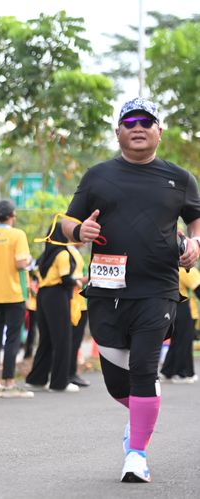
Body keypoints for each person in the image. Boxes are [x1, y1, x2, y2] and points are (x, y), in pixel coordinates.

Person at [60, 97, 200, 483]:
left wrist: (195, 242)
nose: (138, 127)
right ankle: (141, 412)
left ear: (159, 131)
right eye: (130, 122)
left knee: (143, 369)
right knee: (117, 383)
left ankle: (136, 454)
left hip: (158, 289)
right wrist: (79, 230)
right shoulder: (98, 176)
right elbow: (66, 223)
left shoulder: (180, 178)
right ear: (118, 131)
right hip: (106, 291)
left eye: (146, 121)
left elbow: (196, 219)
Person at [0, 199, 33, 398]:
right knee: (12, 338)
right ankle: (9, 381)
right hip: (14, 294)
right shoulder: (18, 235)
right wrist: (29, 260)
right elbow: (21, 263)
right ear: (13, 215)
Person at [24, 224, 80, 394]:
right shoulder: (63, 253)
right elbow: (65, 279)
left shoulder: (45, 254)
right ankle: (59, 383)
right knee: (62, 339)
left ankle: (36, 379)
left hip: (43, 296)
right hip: (57, 296)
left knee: (46, 339)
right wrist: (78, 282)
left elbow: (34, 272)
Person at [159, 263, 200, 383]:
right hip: (186, 309)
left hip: (171, 307)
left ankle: (167, 371)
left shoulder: (169, 268)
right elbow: (198, 289)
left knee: (176, 341)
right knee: (184, 342)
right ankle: (182, 373)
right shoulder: (186, 270)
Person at [67, 243, 91, 387]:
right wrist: (89, 278)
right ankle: (69, 374)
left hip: (79, 303)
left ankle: (71, 373)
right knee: (73, 341)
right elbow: (74, 280)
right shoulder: (70, 252)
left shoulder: (73, 251)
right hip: (75, 304)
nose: (86, 241)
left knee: (75, 341)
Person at [23, 270, 39, 359]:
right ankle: (29, 353)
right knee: (32, 330)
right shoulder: (31, 274)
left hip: (36, 305)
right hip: (33, 306)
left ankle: (29, 352)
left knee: (33, 331)